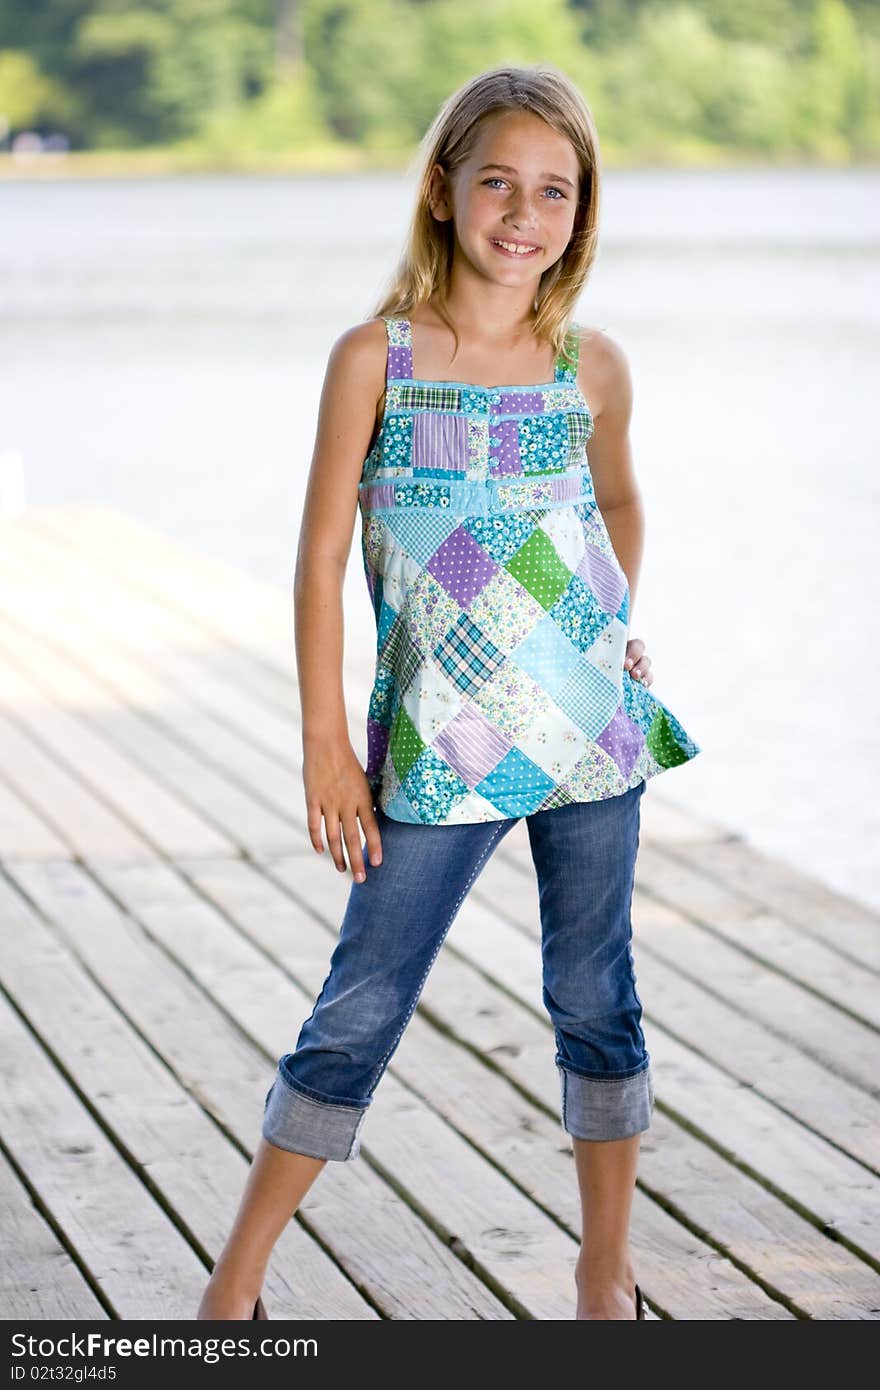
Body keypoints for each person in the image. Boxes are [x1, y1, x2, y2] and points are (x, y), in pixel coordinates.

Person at [197, 63, 701, 1323]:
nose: (522, 215)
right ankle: (235, 1286)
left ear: (580, 215)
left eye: (554, 193)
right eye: (497, 184)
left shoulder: (590, 365)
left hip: (589, 736)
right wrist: (324, 746)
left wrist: (609, 621)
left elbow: (619, 504)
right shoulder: (378, 358)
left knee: (596, 992)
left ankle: (603, 1272)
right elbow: (318, 556)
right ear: (441, 191)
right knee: (360, 1000)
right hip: (436, 749)